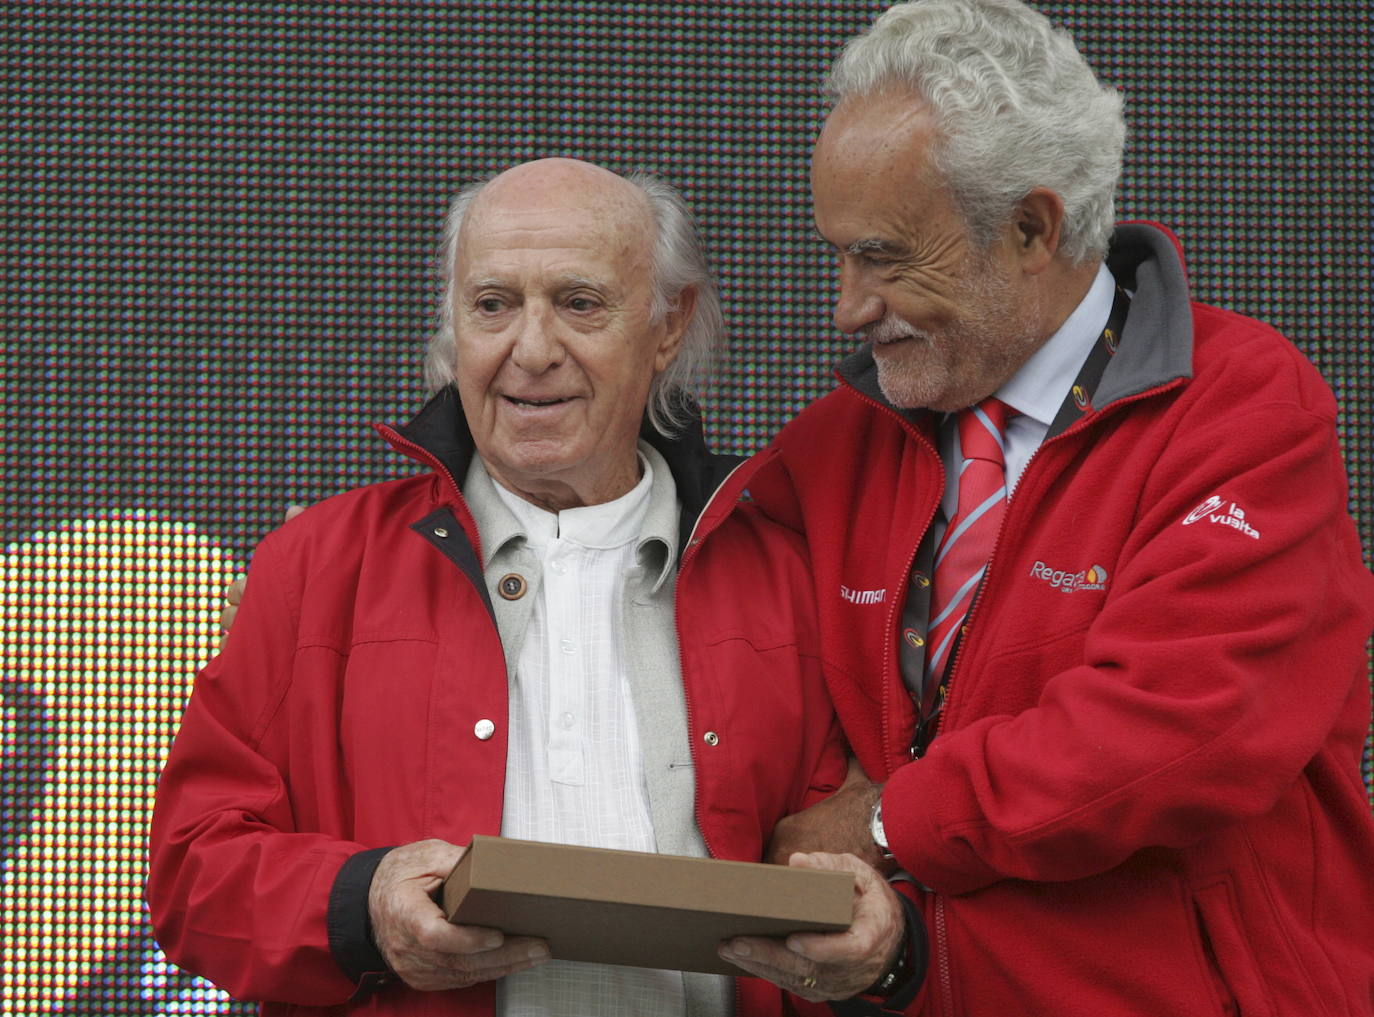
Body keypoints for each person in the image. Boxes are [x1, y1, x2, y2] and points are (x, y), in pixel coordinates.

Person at [146, 159, 921, 1017]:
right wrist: (364, 903)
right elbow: (193, 874)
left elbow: (866, 858)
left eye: (580, 302)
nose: (533, 348)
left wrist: (879, 939)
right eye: (493, 305)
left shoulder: (790, 579)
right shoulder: (316, 565)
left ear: (670, 326)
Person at [722, 1, 1374, 1015]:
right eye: (837, 254)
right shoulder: (830, 450)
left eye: (885, 258)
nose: (847, 306)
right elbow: (738, 674)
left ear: (1031, 228)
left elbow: (1177, 733)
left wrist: (892, 821)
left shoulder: (1247, 412)